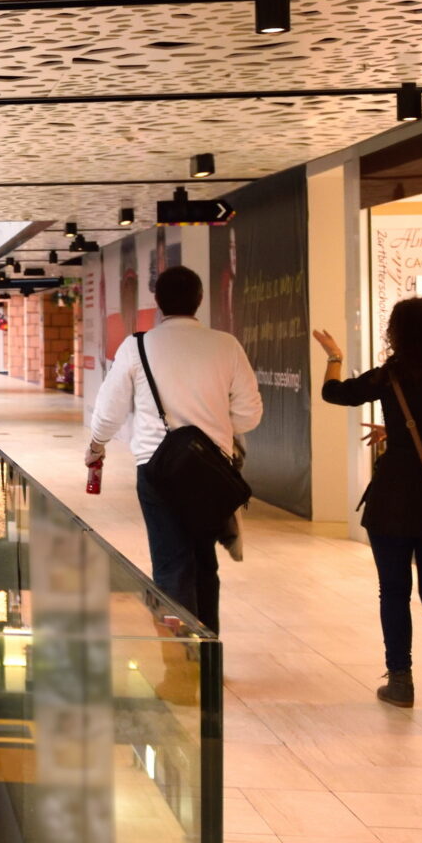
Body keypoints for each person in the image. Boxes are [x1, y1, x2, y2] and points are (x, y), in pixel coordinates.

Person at [316, 300, 422, 716]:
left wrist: (335, 357)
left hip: (394, 495)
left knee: (393, 591)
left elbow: (334, 394)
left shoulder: (392, 375)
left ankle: (401, 681)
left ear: (398, 333)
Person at [85, 266, 262, 630]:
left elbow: (109, 409)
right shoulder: (226, 345)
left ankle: (183, 665)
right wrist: (215, 427)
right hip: (212, 471)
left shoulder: (137, 346)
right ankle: (208, 658)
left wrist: (96, 446)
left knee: (170, 562)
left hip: (157, 468)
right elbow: (249, 415)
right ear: (200, 300)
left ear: (159, 303)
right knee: (203, 562)